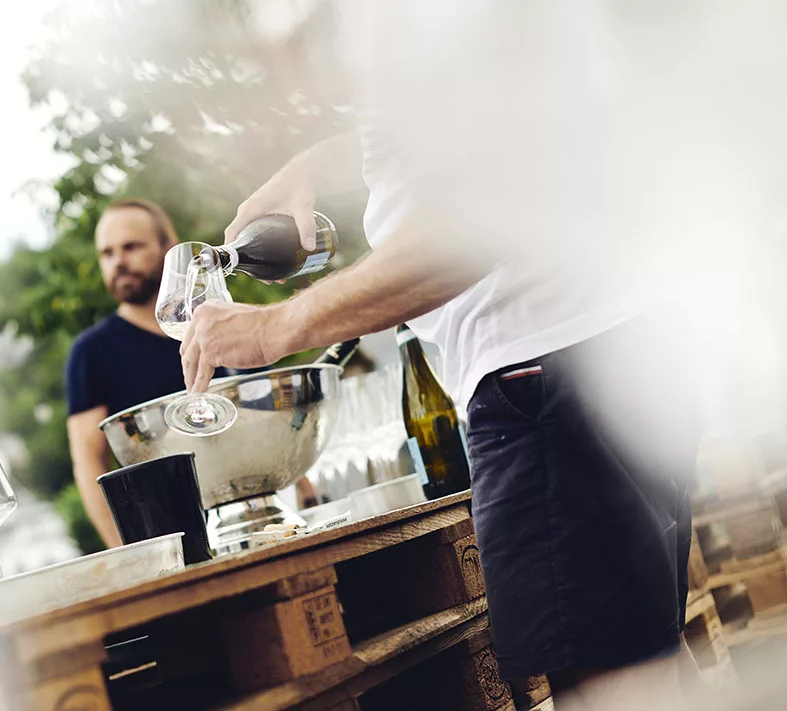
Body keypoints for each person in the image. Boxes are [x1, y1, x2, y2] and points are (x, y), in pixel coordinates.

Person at [174, 2, 787, 708]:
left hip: (544, 376)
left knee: (611, 686)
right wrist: (316, 163)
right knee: (643, 660)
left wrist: (272, 330)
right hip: (590, 354)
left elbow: (472, 223)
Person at [65, 199, 223, 549]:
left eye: (131, 247)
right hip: (169, 537)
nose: (118, 262)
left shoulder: (218, 321)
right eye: (107, 253)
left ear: (169, 249)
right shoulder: (91, 352)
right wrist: (128, 554)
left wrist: (305, 494)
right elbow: (89, 462)